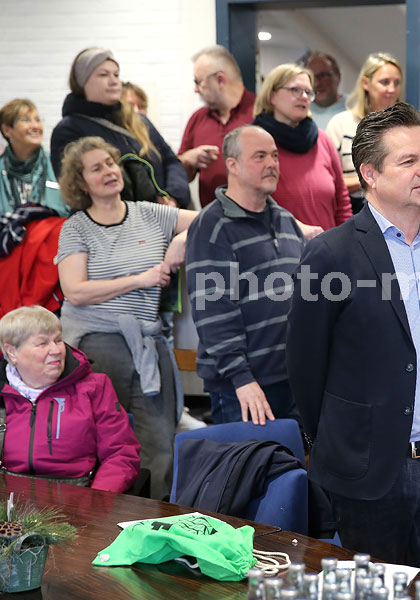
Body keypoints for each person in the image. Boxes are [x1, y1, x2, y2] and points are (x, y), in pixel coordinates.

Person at [286, 102, 420, 588]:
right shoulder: (331, 253)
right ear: (369, 174)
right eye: (408, 161)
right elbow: (305, 365)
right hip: (368, 468)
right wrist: (335, 442)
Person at [54, 136, 198, 500]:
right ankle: (100, 518)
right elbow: (75, 291)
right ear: (81, 183)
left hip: (148, 343)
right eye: (96, 168)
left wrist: (181, 240)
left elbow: (210, 221)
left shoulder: (150, 213)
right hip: (97, 344)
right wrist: (142, 279)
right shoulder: (76, 227)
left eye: (110, 163)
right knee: (104, 443)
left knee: (160, 444)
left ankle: (153, 517)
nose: (109, 171)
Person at [186, 125, 305, 426]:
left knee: (294, 458)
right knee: (249, 460)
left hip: (291, 379)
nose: (272, 164)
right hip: (243, 389)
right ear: (233, 165)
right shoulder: (212, 227)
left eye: (274, 156)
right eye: (260, 156)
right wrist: (241, 378)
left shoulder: (287, 221)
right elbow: (214, 311)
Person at [0, 306, 140, 492]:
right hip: (4, 498)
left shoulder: (95, 387)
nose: (56, 350)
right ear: (12, 352)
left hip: (78, 497)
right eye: (42, 343)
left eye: (58, 340)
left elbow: (121, 455)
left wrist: (97, 500)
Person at [50, 47, 191, 208]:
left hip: (163, 215)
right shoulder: (68, 130)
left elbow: (171, 161)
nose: (114, 81)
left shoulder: (139, 121)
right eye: (104, 75)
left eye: (116, 75)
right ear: (82, 82)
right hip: (109, 220)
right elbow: (73, 187)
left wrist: (173, 197)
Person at [252, 63, 351, 236]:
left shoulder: (322, 140)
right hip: (277, 248)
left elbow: (342, 203)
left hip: (326, 247)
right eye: (295, 90)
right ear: (272, 96)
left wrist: (346, 242)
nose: (304, 97)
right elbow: (248, 204)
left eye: (308, 92)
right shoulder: (254, 142)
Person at [179, 45, 256, 207]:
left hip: (260, 217)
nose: (196, 89)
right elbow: (181, 176)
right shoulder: (197, 119)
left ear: (220, 80)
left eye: (198, 81)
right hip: (213, 219)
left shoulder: (260, 113)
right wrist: (188, 160)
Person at [325, 52, 403, 213]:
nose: (392, 89)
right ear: (365, 83)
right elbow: (328, 182)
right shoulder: (341, 124)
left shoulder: (403, 127)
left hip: (397, 211)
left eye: (396, 83)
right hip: (353, 211)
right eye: (385, 82)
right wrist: (376, 178)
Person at [0, 99, 69, 217]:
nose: (35, 126)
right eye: (26, 120)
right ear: (7, 130)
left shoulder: (59, 164)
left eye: (37, 120)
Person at [305, 51, 347, 130]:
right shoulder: (300, 109)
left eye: (323, 76)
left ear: (338, 77)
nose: (317, 83)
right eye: (312, 77)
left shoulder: (355, 107)